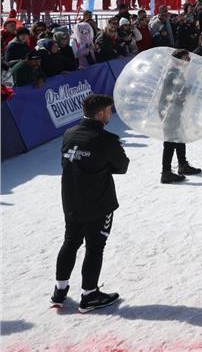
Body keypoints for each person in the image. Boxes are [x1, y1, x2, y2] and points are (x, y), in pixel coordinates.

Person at [52, 94, 129, 312]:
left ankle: (59, 291)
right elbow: (122, 166)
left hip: (71, 200)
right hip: (98, 202)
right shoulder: (107, 140)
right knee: (95, 247)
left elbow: (67, 162)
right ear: (100, 113)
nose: (110, 114)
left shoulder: (69, 133)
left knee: (70, 242)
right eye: (109, 110)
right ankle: (89, 295)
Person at [159, 49, 202, 183]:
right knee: (170, 142)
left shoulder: (177, 72)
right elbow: (172, 93)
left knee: (179, 137)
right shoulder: (173, 73)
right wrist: (188, 91)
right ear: (178, 60)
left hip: (174, 110)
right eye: (186, 59)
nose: (188, 61)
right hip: (169, 111)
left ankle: (182, 164)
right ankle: (166, 172)